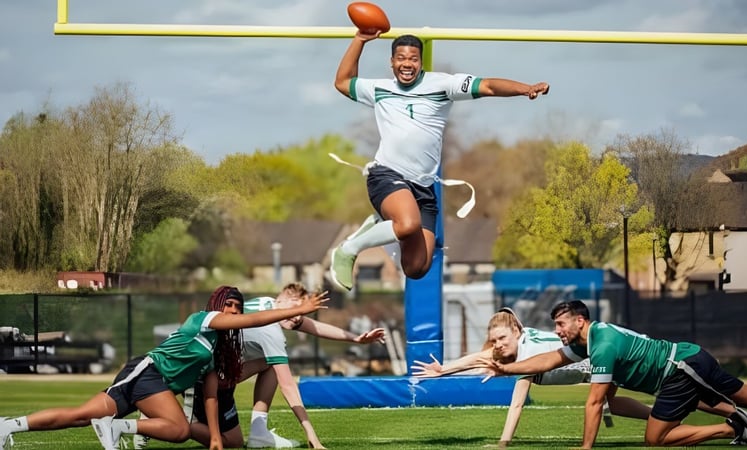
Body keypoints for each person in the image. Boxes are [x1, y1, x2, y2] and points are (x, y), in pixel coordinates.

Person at [329, 32, 550, 291]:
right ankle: (348, 249)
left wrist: (526, 89)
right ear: (392, 62)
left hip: (422, 186)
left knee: (416, 267)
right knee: (408, 223)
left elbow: (488, 86)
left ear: (421, 63)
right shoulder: (379, 89)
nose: (407, 64)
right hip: (387, 175)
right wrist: (361, 40)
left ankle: (380, 225)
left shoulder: (443, 85)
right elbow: (343, 82)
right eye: (401, 58)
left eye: (413, 59)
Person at [0, 286, 327, 450]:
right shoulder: (205, 319)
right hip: (146, 372)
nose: (234, 311)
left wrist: (215, 437)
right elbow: (253, 319)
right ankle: (116, 428)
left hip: (154, 384)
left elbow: (210, 392)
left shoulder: (217, 347)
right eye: (229, 305)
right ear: (217, 306)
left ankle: (6, 426)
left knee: (85, 416)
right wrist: (292, 312)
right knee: (175, 429)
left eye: (237, 307)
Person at [411, 307, 747, 448]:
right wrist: (443, 369)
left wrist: (504, 442)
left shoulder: (531, 353)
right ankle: (736, 417)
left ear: (518, 331)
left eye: (504, 337)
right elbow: (475, 358)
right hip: (592, 370)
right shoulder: (505, 356)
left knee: (616, 403)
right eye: (496, 340)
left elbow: (516, 407)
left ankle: (737, 417)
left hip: (601, 362)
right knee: (622, 403)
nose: (498, 344)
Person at [480, 300, 747, 448]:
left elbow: (595, 403)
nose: (557, 331)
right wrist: (507, 368)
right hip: (684, 365)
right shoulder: (587, 340)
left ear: (580, 321)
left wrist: (585, 448)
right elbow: (547, 361)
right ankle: (740, 425)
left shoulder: (602, 345)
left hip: (680, 370)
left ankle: (734, 428)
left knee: (655, 439)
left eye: (561, 325)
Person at [186, 283, 385, 449]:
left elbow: (315, 327)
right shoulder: (272, 330)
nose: (298, 316)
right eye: (296, 308)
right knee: (192, 432)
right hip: (202, 378)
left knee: (235, 441)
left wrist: (356, 339)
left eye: (302, 310)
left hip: (215, 372)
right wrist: (312, 436)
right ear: (281, 301)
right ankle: (176, 423)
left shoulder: (269, 304)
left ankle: (259, 432)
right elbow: (288, 386)